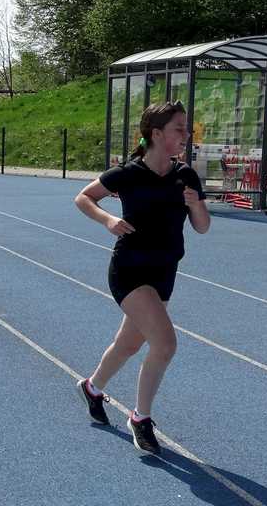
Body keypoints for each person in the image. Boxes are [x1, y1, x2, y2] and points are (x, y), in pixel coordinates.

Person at [74, 101, 210, 455]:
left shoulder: (186, 175)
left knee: (129, 344)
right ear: (157, 134)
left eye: (186, 128)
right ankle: (141, 417)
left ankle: (92, 387)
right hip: (130, 271)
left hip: (165, 272)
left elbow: (203, 227)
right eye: (180, 128)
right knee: (165, 344)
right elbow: (83, 198)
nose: (186, 135)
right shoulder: (128, 173)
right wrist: (107, 220)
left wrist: (196, 204)